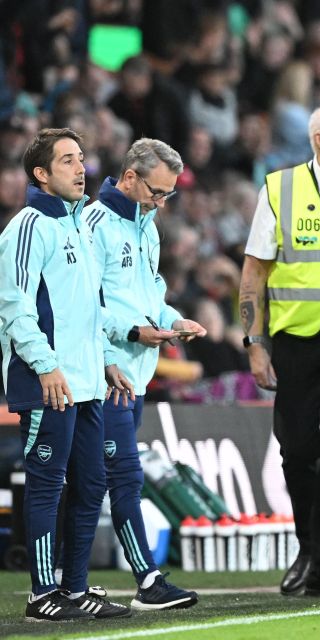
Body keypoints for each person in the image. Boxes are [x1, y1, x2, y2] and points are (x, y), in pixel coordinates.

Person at [0, 128, 135, 621]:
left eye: (82, 159)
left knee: (91, 483)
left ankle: (74, 590)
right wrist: (46, 365)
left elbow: (87, 311)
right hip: (46, 383)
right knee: (46, 485)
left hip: (85, 382)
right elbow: (14, 305)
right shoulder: (28, 226)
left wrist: (105, 360)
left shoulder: (80, 226)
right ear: (41, 173)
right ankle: (42, 595)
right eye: (67, 161)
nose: (82, 169)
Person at [238, 104, 320, 597]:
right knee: (297, 449)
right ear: (318, 139)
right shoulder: (280, 188)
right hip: (295, 342)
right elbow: (254, 272)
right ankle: (309, 548)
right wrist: (255, 343)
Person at [84, 138, 205, 610]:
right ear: (130, 177)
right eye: (157, 192)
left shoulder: (146, 226)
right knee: (121, 475)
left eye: (168, 194)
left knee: (97, 477)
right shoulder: (93, 225)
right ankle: (146, 580)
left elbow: (151, 295)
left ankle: (64, 581)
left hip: (135, 371)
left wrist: (172, 320)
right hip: (102, 371)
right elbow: (85, 304)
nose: (161, 202)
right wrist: (133, 333)